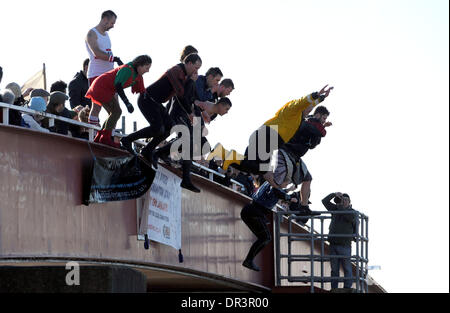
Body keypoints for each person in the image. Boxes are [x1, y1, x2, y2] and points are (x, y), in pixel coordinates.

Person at [207, 85, 334, 175]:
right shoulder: (293, 109)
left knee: (250, 165)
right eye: (306, 111)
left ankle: (222, 152)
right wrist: (316, 94)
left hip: (265, 137)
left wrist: (321, 98)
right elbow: (303, 102)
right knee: (262, 168)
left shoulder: (298, 118)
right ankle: (230, 155)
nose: (308, 113)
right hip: (269, 136)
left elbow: (309, 107)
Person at [120, 53, 202, 175]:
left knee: (170, 127)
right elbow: (181, 94)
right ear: (189, 63)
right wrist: (190, 113)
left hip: (156, 103)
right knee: (158, 128)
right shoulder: (176, 70)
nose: (197, 71)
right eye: (196, 67)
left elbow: (186, 95)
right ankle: (127, 140)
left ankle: (148, 150)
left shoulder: (184, 75)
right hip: (147, 99)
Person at [85, 54, 152, 148]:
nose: (148, 71)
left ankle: (100, 136)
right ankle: (105, 138)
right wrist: (127, 102)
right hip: (101, 87)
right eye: (146, 68)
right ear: (140, 65)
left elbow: (143, 92)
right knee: (116, 112)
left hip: (105, 89)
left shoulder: (138, 76)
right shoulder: (127, 69)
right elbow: (118, 85)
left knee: (113, 113)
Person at [241, 179, 299, 272]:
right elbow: (277, 192)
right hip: (254, 212)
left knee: (264, 237)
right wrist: (290, 198)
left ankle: (249, 260)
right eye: (287, 182)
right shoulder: (274, 186)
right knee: (265, 237)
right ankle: (249, 260)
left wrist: (288, 190)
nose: (287, 184)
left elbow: (276, 192)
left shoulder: (270, 182)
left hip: (251, 211)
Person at [85, 10, 122, 126]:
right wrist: (113, 59)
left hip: (109, 75)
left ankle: (109, 133)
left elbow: (107, 52)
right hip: (96, 74)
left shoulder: (106, 35)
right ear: (105, 19)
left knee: (116, 108)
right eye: (112, 23)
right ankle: (93, 133)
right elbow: (96, 53)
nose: (113, 26)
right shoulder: (92, 33)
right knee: (96, 106)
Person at [322, 192, 359, 291]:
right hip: (333, 244)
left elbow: (347, 216)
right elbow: (324, 201)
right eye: (342, 199)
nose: (343, 201)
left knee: (347, 267)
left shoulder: (352, 213)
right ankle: (334, 288)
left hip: (345, 245)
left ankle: (347, 287)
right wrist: (334, 195)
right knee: (334, 269)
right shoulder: (336, 209)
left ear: (350, 202)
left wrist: (340, 206)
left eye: (346, 200)